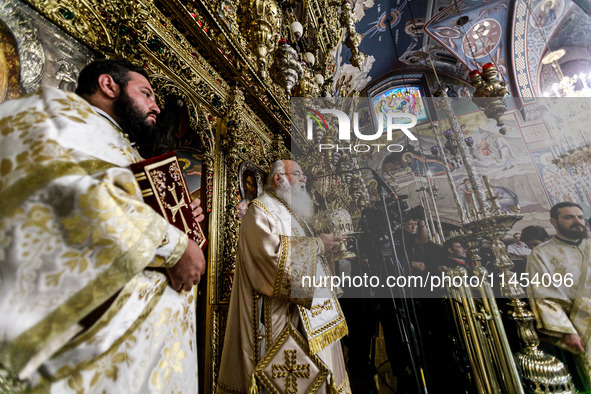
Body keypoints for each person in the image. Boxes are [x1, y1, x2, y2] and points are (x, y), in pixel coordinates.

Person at [0, 59, 206, 392]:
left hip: (144, 356)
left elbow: (126, 205)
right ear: (109, 85)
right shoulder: (57, 116)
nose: (156, 105)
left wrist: (183, 221)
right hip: (86, 356)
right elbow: (73, 197)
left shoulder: (119, 143)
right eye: (147, 93)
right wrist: (175, 246)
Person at [217, 160, 350, 393]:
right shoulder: (260, 210)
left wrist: (328, 249)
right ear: (278, 178)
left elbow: (311, 257)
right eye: (297, 174)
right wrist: (318, 244)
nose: (303, 180)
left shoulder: (294, 214)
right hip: (280, 318)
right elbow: (272, 260)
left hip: (310, 315)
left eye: (303, 175)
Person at [527, 202, 591, 386]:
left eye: (579, 217)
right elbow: (544, 296)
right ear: (553, 222)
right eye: (569, 217)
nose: (577, 221)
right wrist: (566, 331)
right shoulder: (541, 254)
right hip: (582, 326)